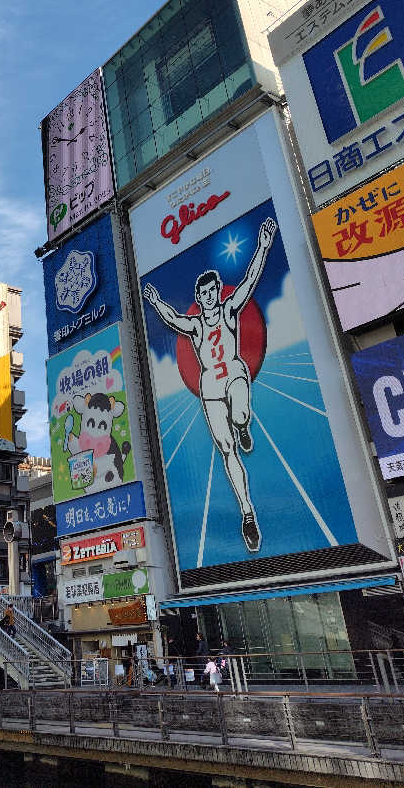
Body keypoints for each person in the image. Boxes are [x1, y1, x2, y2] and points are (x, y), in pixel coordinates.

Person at [143, 217, 277, 554]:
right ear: (199, 298)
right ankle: (248, 514)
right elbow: (173, 318)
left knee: (242, 412)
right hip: (210, 387)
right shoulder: (196, 325)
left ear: (217, 292)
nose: (208, 297)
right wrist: (157, 302)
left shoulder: (230, 310)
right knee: (227, 449)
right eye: (203, 294)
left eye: (211, 291)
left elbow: (249, 280)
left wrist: (262, 245)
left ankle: (243, 424)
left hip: (233, 371)